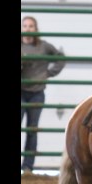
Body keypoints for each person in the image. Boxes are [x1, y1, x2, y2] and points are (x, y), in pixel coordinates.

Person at [21, 15, 65, 174]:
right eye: (25, 26)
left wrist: (48, 73)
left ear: (35, 29)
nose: (27, 29)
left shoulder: (44, 47)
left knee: (32, 129)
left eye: (30, 26)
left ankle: (27, 166)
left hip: (37, 93)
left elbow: (60, 58)